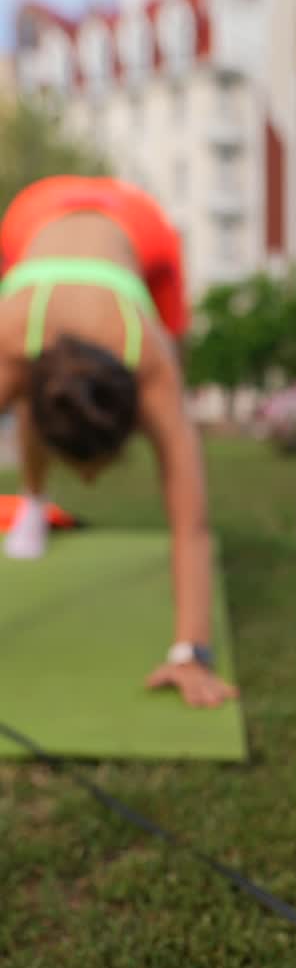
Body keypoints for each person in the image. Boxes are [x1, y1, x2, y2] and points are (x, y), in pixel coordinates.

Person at [0, 175, 236, 709]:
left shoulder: (153, 358)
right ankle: (33, 504)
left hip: (141, 226)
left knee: (178, 363)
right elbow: (190, 525)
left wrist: (191, 651)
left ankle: (35, 505)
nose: (88, 481)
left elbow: (192, 526)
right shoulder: (9, 338)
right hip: (30, 220)